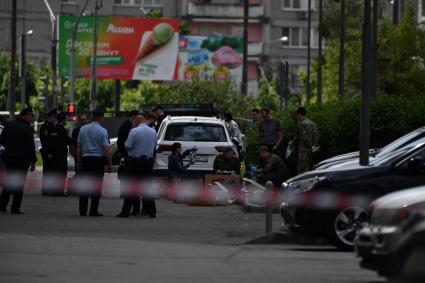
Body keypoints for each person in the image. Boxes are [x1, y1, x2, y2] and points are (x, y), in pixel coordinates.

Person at [117, 112, 157, 218]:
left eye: (134, 120)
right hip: (148, 162)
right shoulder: (153, 131)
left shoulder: (134, 131)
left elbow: (127, 146)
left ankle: (125, 212)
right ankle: (152, 212)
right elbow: (154, 146)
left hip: (135, 162)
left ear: (137, 121)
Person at [76, 108, 112, 217]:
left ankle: (82, 211)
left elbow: (78, 147)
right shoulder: (103, 131)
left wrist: (78, 161)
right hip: (98, 161)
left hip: (86, 160)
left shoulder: (83, 129)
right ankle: (93, 210)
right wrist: (109, 164)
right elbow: (106, 148)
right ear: (100, 117)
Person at [0, 107, 37, 214]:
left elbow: (2, 140)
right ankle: (15, 207)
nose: (31, 118)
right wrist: (33, 161)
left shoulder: (9, 125)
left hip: (10, 159)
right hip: (22, 160)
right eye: (30, 115)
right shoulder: (26, 128)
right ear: (24, 115)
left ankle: (2, 205)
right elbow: (30, 146)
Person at [290, 107, 319, 174]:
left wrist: (292, 143)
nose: (295, 116)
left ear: (299, 114)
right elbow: (316, 136)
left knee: (302, 170)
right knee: (309, 168)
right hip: (312, 150)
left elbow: (303, 137)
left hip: (304, 150)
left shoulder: (301, 124)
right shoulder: (312, 123)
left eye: (296, 114)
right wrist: (313, 147)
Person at [50, 113, 72, 195]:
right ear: (63, 120)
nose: (66, 121)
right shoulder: (63, 130)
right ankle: (60, 191)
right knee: (62, 173)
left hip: (53, 155)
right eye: (65, 119)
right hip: (61, 155)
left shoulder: (53, 129)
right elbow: (68, 141)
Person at [39, 109, 57, 195]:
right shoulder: (46, 126)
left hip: (50, 152)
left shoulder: (51, 125)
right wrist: (49, 153)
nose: (55, 119)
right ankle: (46, 189)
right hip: (48, 152)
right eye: (55, 117)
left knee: (50, 170)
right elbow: (47, 141)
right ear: (52, 117)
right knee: (48, 171)